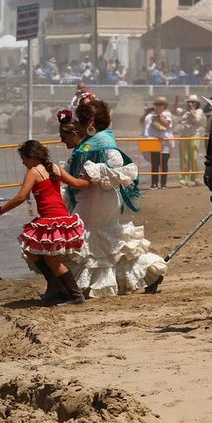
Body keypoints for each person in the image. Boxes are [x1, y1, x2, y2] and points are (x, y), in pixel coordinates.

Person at [53, 100, 167, 298]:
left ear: (90, 121)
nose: (77, 123)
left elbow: (118, 168)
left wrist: (95, 173)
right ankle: (149, 274)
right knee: (105, 240)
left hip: (100, 197)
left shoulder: (104, 143)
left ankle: (81, 286)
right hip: (91, 197)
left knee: (93, 236)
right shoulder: (93, 142)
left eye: (80, 119)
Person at [0, 140, 86, 305]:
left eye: (24, 159)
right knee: (31, 251)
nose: (23, 163)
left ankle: (75, 295)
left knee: (52, 261)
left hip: (51, 220)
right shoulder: (54, 168)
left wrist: (1, 209)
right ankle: (56, 286)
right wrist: (90, 180)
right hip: (62, 218)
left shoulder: (33, 172)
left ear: (32, 157)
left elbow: (21, 197)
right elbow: (76, 183)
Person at [174, 94, 205, 187]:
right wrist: (176, 102)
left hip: (194, 135)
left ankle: (195, 177)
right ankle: (184, 179)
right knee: (184, 158)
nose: (190, 103)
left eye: (192, 102)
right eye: (189, 102)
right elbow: (175, 111)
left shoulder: (199, 111)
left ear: (196, 103)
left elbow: (196, 120)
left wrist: (192, 111)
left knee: (194, 157)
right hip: (183, 136)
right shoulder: (183, 111)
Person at [143, 96, 173, 189]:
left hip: (165, 141)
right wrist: (147, 113)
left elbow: (166, 124)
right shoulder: (149, 115)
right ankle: (154, 184)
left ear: (164, 106)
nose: (158, 106)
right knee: (154, 164)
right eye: (157, 104)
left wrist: (159, 116)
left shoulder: (167, 114)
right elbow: (143, 124)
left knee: (164, 163)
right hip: (153, 140)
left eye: (161, 104)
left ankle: (163, 184)